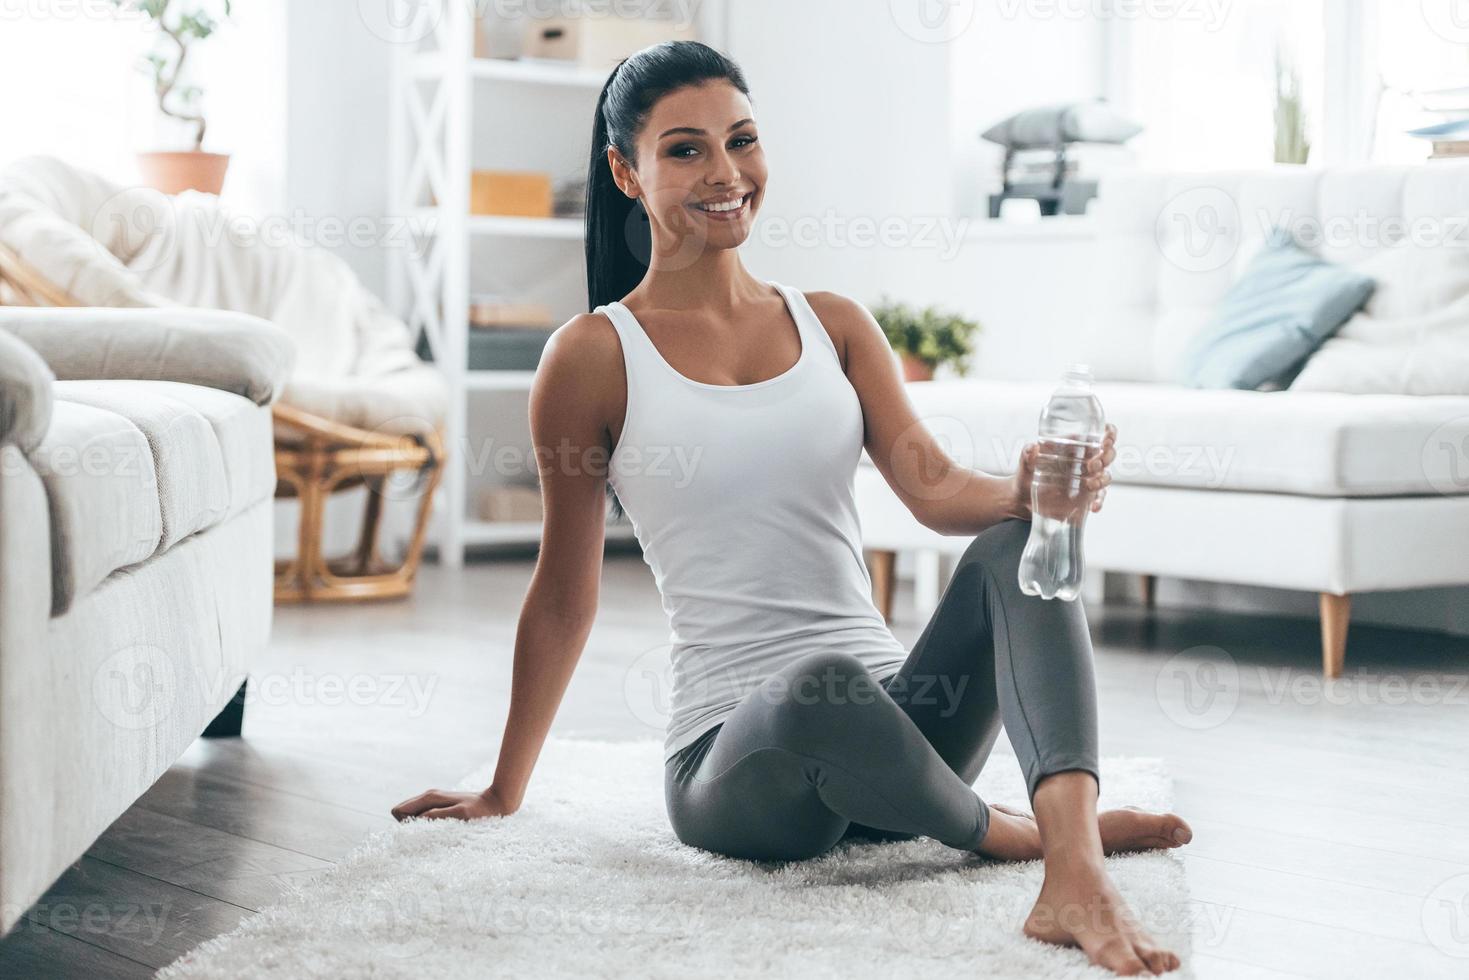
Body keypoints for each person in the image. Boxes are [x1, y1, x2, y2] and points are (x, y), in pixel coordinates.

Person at [393, 40, 1190, 977]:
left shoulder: (834, 324)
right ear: (625, 171)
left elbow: (935, 494)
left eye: (742, 141)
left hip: (900, 734)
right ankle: (1018, 839)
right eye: (685, 150)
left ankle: (1073, 864)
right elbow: (564, 594)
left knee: (1019, 545)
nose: (726, 174)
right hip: (741, 765)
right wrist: (503, 788)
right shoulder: (592, 355)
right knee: (820, 683)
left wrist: (1030, 493)